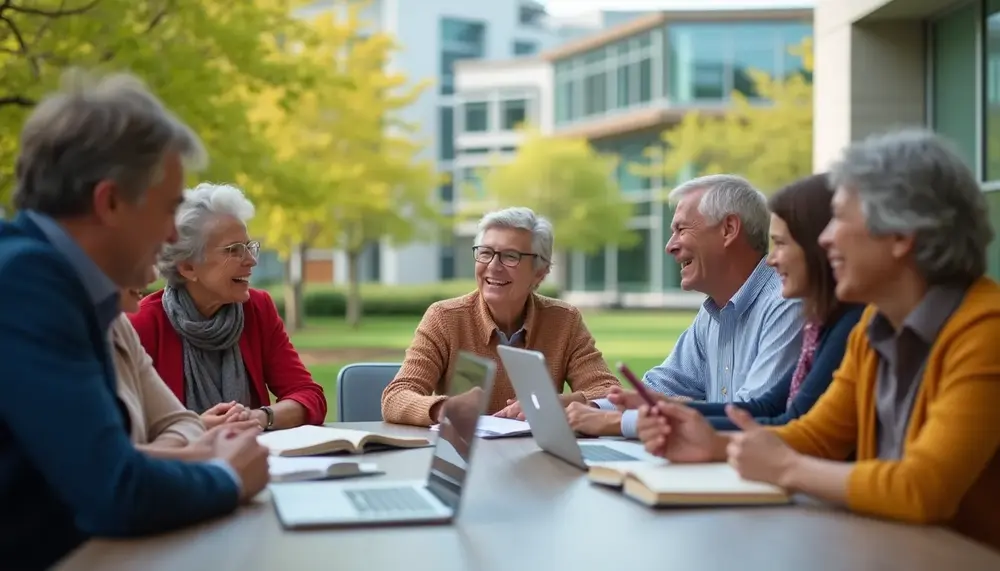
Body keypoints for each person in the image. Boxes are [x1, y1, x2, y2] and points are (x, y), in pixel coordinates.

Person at [637, 129, 1000, 550]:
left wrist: (787, 468)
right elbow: (817, 434)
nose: (825, 238)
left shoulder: (986, 330)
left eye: (842, 218)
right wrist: (713, 443)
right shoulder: (873, 329)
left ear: (902, 236)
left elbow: (922, 488)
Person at [0, 70, 269, 570]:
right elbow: (113, 489)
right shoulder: (28, 283)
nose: (172, 235)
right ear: (110, 202)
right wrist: (229, 478)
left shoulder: (45, 279)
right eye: (168, 209)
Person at [567, 175, 804, 438]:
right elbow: (658, 389)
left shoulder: (785, 304)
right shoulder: (713, 312)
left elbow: (751, 415)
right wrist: (588, 407)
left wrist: (615, 422)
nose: (670, 246)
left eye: (681, 230)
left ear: (728, 229)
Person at [381, 207, 621, 426]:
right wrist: (443, 409)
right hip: (463, 462)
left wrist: (560, 402)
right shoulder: (445, 318)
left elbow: (610, 393)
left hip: (536, 463)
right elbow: (396, 396)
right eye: (485, 253)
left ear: (540, 272)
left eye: (510, 256)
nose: (493, 266)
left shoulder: (564, 321)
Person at [129, 183, 327, 431]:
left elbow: (309, 396)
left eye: (249, 247)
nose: (251, 261)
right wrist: (196, 427)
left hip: (257, 462)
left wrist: (260, 417)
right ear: (188, 267)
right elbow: (125, 426)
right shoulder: (143, 324)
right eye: (234, 250)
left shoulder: (258, 309)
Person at [683, 173, 864, 429]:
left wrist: (686, 426)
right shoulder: (823, 326)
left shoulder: (847, 324)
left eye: (780, 244)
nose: (772, 259)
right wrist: (669, 411)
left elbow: (794, 425)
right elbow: (767, 406)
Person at [115, 266, 260, 460]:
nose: (153, 276)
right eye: (232, 250)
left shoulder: (120, 328)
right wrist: (219, 468)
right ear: (188, 268)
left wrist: (255, 417)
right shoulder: (139, 321)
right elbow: (106, 459)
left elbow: (180, 423)